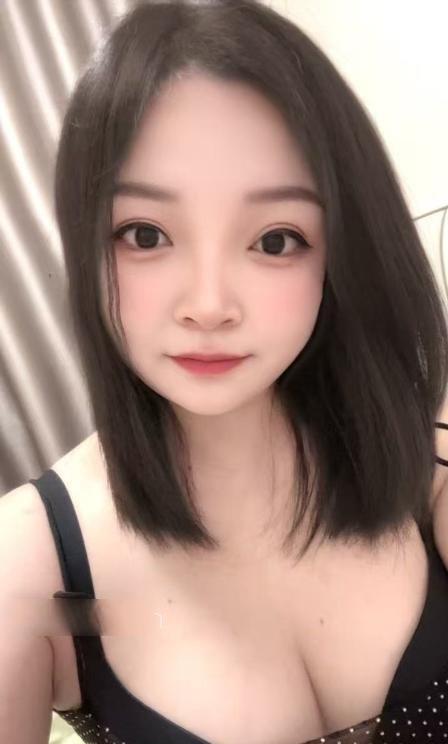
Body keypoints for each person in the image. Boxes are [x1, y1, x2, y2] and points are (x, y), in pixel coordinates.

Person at [2, 1, 448, 743]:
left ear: (341, 252)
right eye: (145, 235)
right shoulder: (33, 570)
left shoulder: (420, 468)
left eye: (275, 240)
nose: (208, 305)